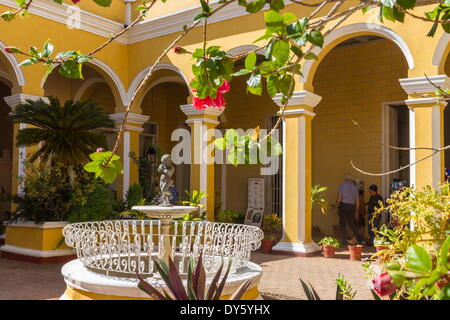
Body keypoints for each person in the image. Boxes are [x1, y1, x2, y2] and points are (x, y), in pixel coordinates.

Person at [335, 174, 363, 246]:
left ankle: (344, 242)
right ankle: (360, 239)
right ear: (350, 179)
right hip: (352, 206)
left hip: (344, 206)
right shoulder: (355, 187)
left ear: (345, 179)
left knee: (342, 224)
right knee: (351, 224)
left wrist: (336, 207)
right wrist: (356, 210)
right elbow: (357, 200)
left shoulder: (342, 185)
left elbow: (340, 197)